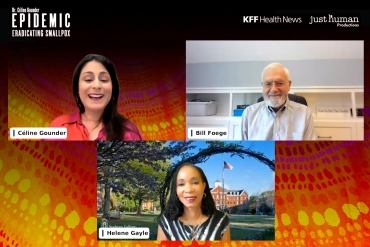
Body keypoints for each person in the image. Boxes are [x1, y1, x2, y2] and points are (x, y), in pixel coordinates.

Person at [49, 54, 144, 140]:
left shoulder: (130, 132)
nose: (96, 85)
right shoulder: (58, 126)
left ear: (113, 88)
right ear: (77, 87)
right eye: (88, 79)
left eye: (103, 80)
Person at [241, 63, 316, 140]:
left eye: (279, 83)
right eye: (268, 84)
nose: (273, 89)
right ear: (262, 86)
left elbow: (310, 150)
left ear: (289, 85)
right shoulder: (249, 114)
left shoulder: (305, 114)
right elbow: (238, 150)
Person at [157, 162, 230, 241]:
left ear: (204, 186)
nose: (189, 190)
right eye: (181, 184)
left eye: (195, 182)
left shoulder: (221, 220)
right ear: (176, 190)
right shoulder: (166, 221)